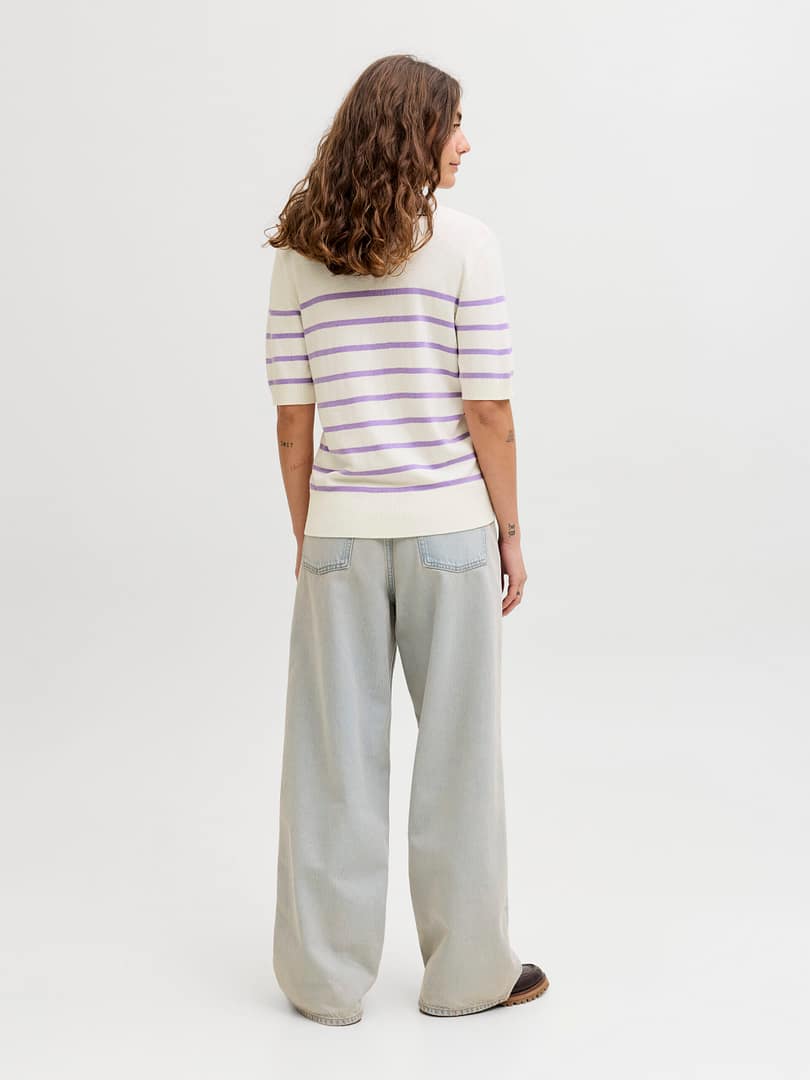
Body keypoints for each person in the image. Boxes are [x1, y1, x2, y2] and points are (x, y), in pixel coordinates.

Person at [262, 53, 549, 1026]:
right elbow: (489, 411)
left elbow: (293, 424)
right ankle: (469, 976)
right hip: (451, 536)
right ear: (415, 133)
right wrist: (511, 532)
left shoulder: (299, 254)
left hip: (339, 536)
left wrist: (312, 536)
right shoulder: (467, 245)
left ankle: (321, 983)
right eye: (453, 123)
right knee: (461, 757)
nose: (466, 142)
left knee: (331, 761)